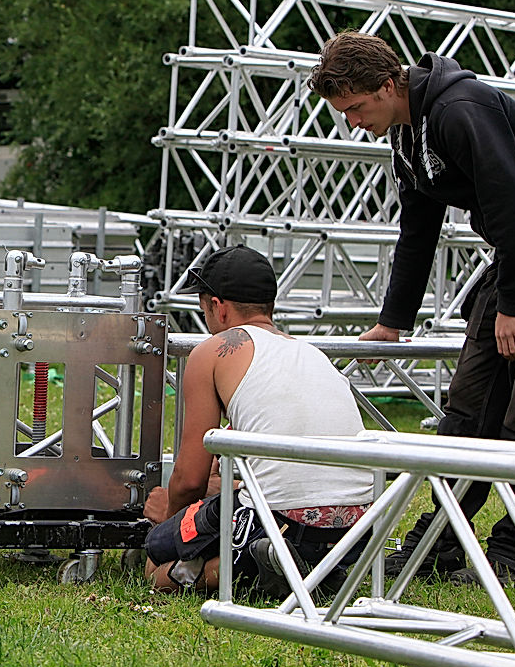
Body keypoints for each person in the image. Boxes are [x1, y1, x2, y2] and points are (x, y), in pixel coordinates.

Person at [309, 31, 515, 586]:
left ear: (386, 84)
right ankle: (439, 544)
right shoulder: (406, 134)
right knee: (468, 412)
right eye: (343, 113)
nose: (352, 122)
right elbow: (417, 230)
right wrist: (392, 322)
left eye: (355, 108)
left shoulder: (456, 107)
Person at [143, 245, 374, 597]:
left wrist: (170, 526)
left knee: (154, 563)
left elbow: (190, 479)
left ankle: (235, 568)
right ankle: (305, 568)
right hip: (355, 535)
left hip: (276, 526)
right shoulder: (311, 354)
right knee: (225, 503)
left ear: (218, 308)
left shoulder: (214, 351)